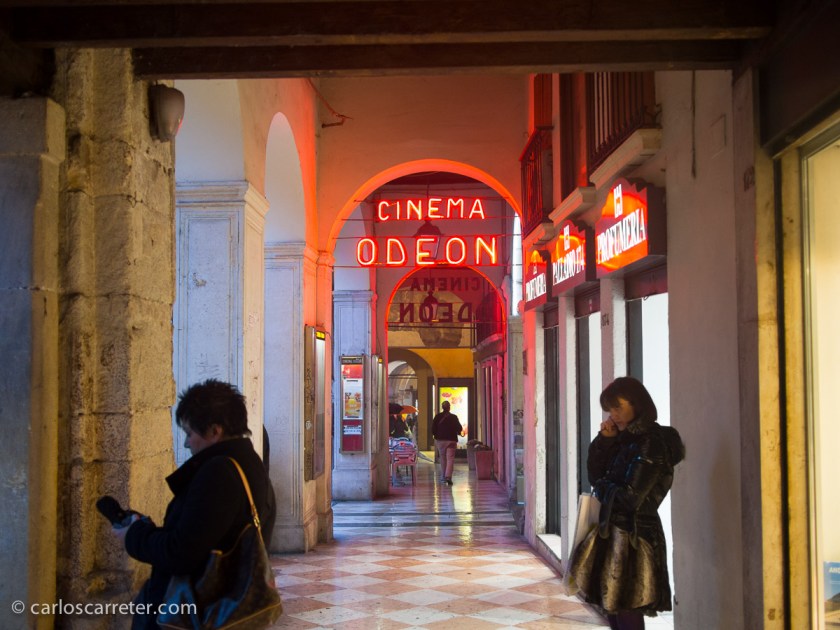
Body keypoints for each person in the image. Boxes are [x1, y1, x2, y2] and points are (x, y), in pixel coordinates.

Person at [112, 379, 274, 630]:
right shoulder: (247, 461)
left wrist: (134, 536)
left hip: (198, 614)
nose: (187, 443)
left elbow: (182, 553)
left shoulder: (219, 473)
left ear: (214, 431)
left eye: (190, 433)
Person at [570, 376, 685, 630]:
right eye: (611, 409)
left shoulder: (651, 442)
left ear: (638, 404)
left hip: (634, 537)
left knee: (627, 608)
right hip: (613, 532)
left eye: (619, 407)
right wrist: (605, 440)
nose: (614, 414)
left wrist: (602, 486)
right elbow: (595, 474)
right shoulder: (623, 439)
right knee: (612, 606)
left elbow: (631, 497)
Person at [431, 400, 462, 485]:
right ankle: (448, 476)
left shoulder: (437, 417)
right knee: (450, 459)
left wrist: (436, 435)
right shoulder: (454, 417)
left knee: (443, 458)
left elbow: (433, 429)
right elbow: (459, 428)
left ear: (442, 407)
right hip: (452, 440)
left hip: (441, 441)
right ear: (449, 407)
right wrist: (457, 431)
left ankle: (443, 477)